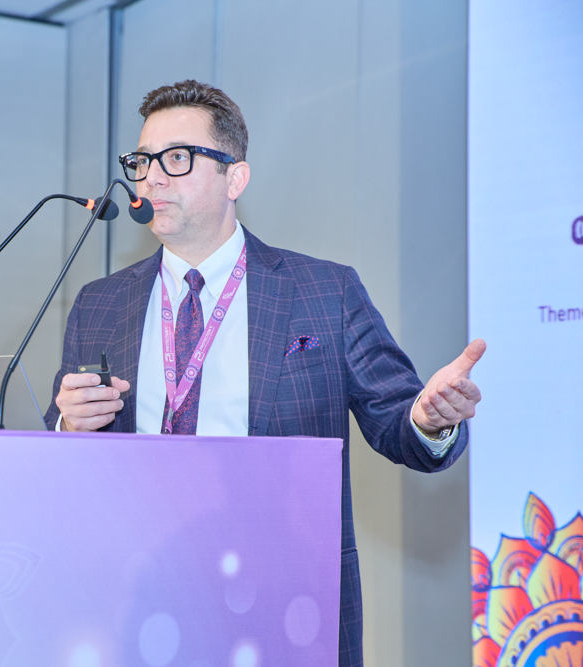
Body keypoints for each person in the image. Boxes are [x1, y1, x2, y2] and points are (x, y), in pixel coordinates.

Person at [43, 80, 484, 667]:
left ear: (235, 178)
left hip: (283, 603)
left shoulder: (325, 291)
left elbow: (398, 423)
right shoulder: (99, 303)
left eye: (177, 158)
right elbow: (55, 462)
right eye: (143, 161)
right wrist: (67, 428)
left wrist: (430, 420)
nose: (151, 179)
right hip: (137, 604)